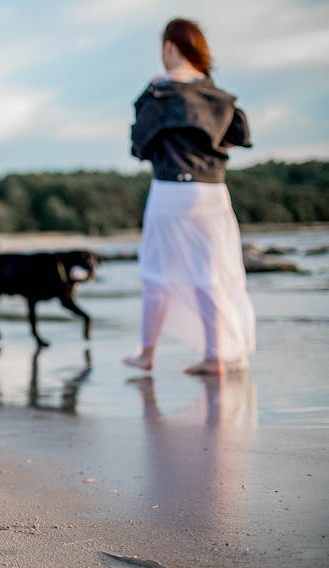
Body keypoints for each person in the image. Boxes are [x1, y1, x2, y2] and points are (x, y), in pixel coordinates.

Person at [123, 18, 255, 376]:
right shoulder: (219, 96)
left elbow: (140, 146)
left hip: (170, 189)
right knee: (211, 274)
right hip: (213, 191)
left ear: (169, 47)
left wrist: (150, 92)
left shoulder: (159, 93)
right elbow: (237, 137)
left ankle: (146, 354)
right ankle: (216, 356)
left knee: (154, 271)